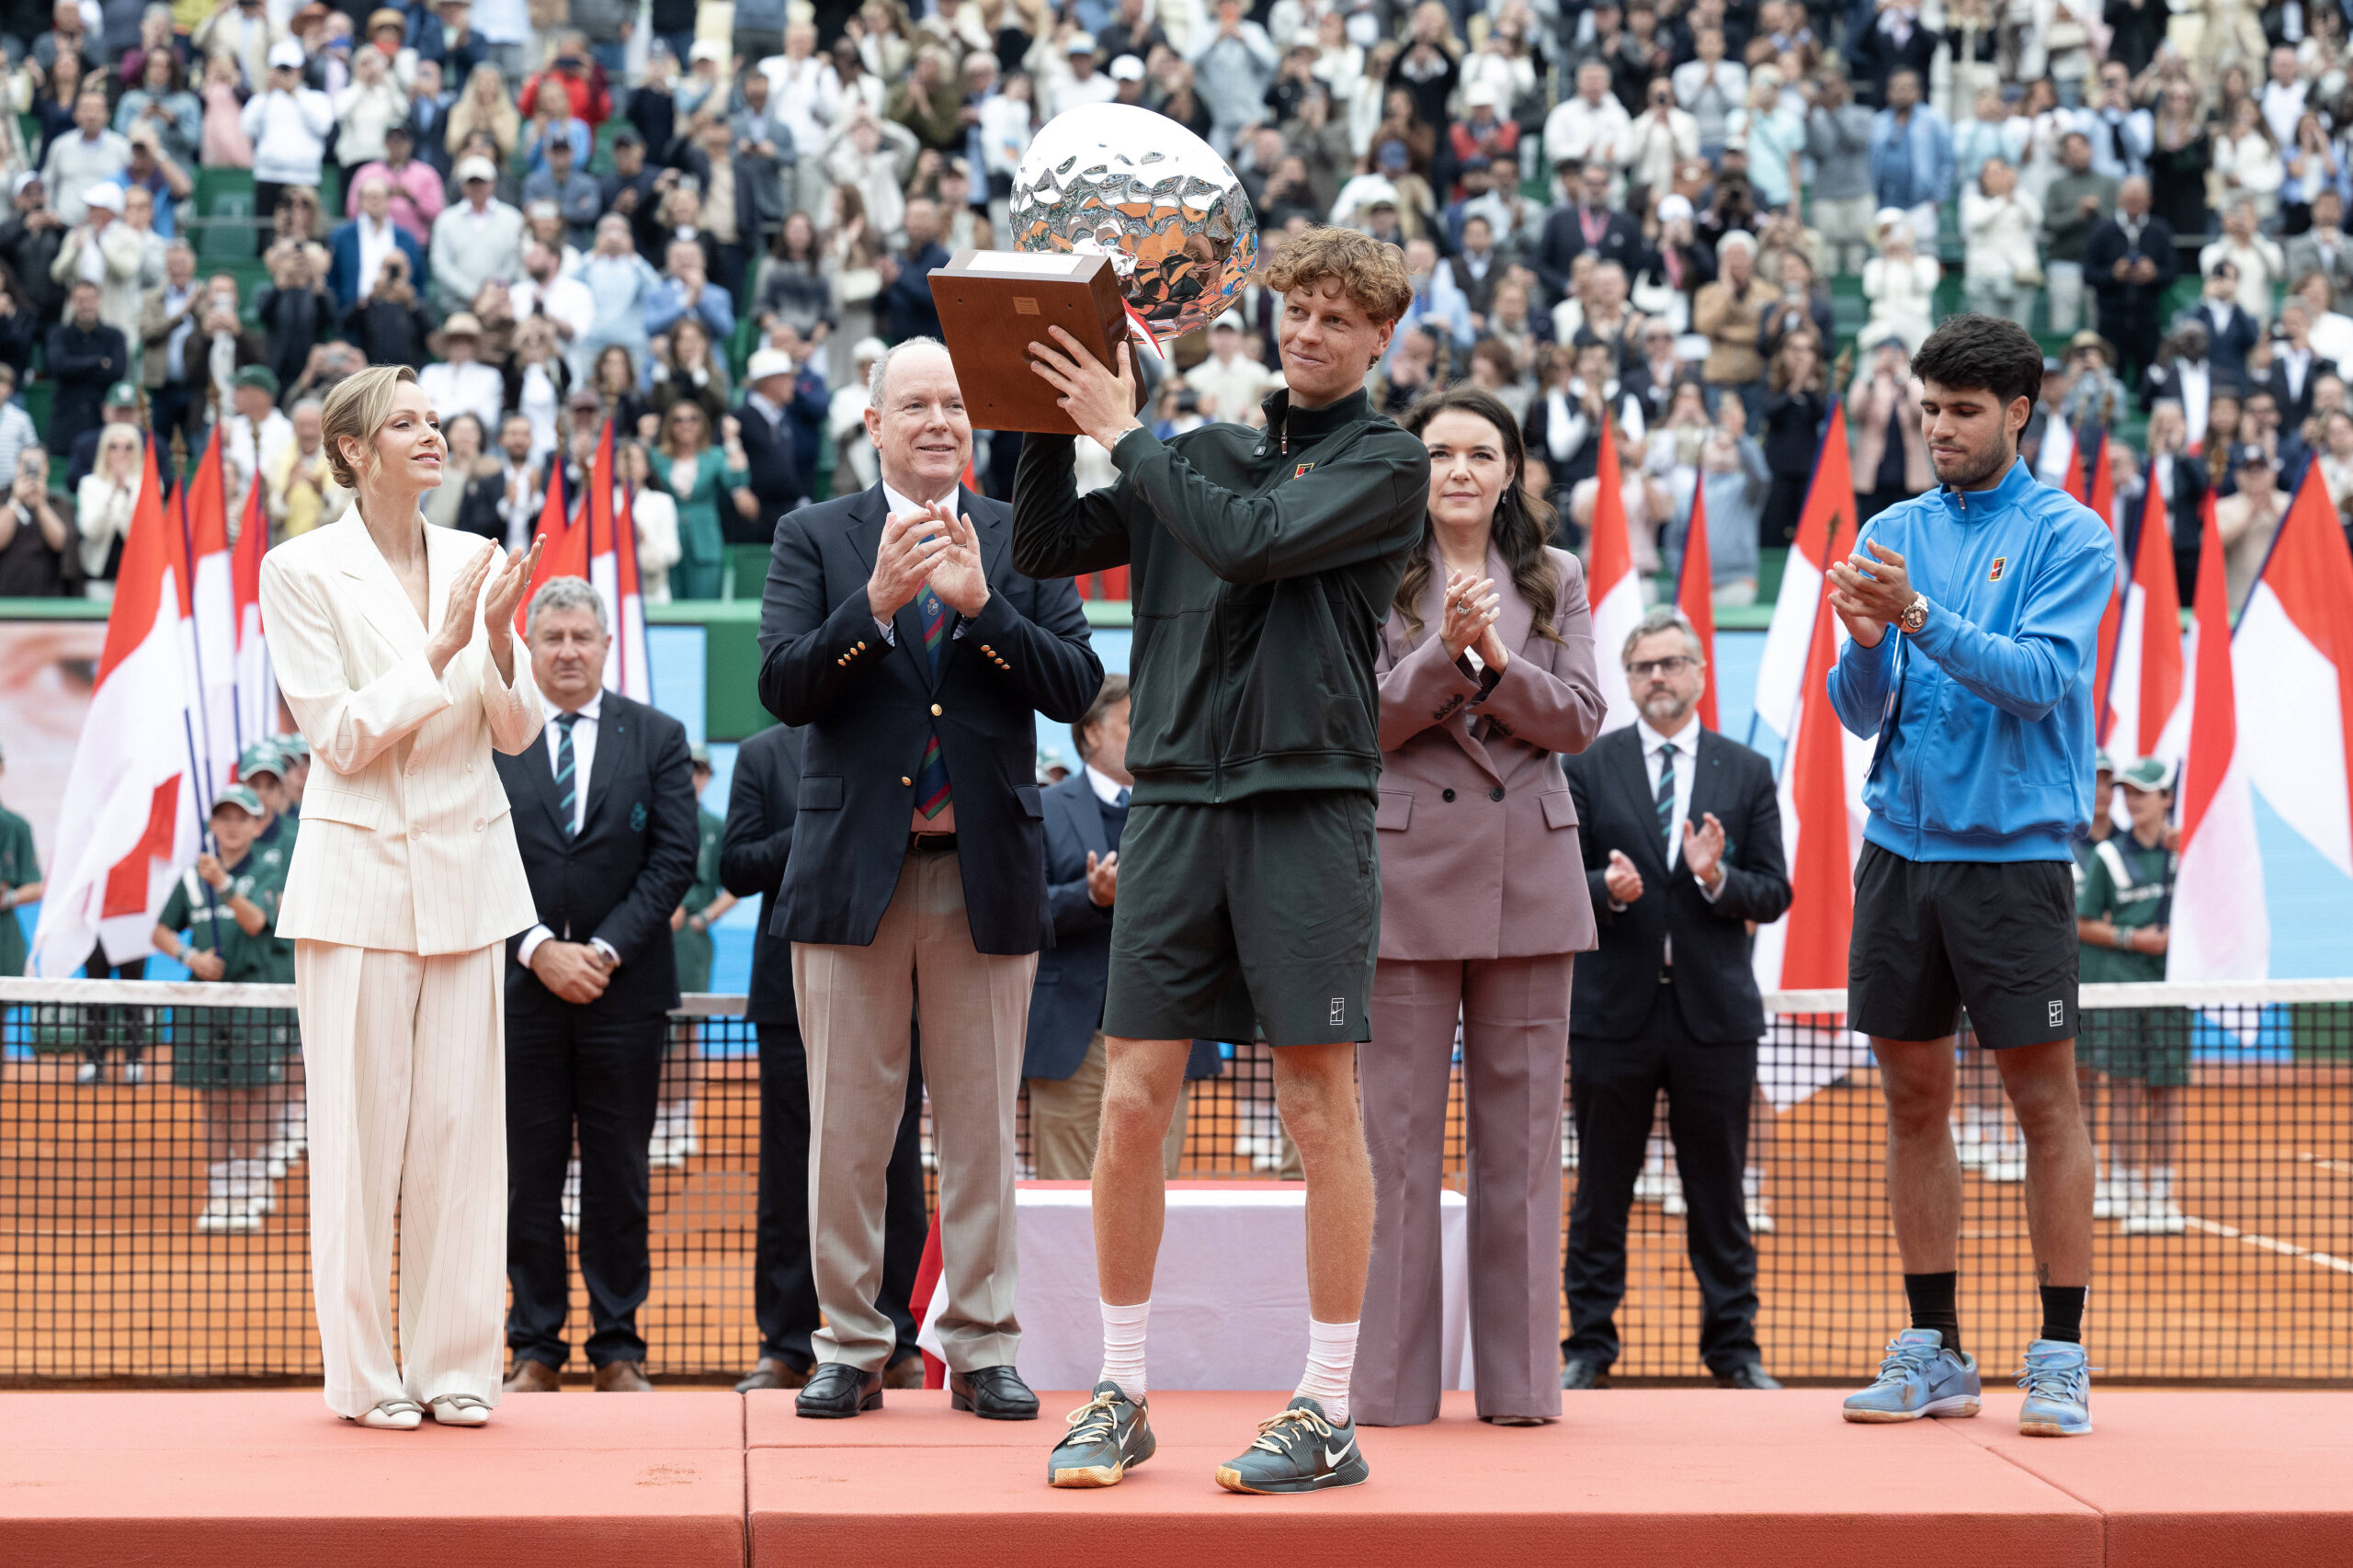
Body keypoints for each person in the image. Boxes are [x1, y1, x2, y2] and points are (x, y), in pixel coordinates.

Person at [1016, 225, 1427, 1493]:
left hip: (1308, 806)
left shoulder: (1388, 462)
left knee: (1317, 1105)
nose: (1308, 331)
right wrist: (1041, 409)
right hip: (1178, 803)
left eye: (1336, 318)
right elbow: (1039, 545)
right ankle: (1122, 1388)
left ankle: (1328, 1407)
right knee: (1133, 1093)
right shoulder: (1198, 452)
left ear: (1378, 339)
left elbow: (1249, 538)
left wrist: (1123, 428)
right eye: (1294, 310)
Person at [758, 327, 1098, 1421]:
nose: (941, 421)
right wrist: (874, 609)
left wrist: (980, 608)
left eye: (955, 403)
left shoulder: (1020, 533)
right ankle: (850, 1344)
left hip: (985, 874)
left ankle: (983, 1340)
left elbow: (1078, 683)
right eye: (916, 405)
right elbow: (782, 686)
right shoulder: (815, 535)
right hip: (852, 879)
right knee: (850, 1133)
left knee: (979, 1132)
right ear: (874, 424)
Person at [1825, 314, 2113, 1439]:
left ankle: (2058, 1352)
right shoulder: (1892, 526)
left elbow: (2039, 680)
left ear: (2017, 413)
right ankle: (1936, 1347)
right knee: (1911, 1099)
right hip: (1900, 851)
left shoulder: (2069, 535)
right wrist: (1862, 642)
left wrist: (1910, 614)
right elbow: (1861, 713)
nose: (1938, 429)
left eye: (1961, 411)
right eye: (1928, 409)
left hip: (2016, 862)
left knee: (2045, 1101)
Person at [255, 363, 544, 1430]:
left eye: (437, 419)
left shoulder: (477, 558)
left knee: (464, 1132)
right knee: (359, 1134)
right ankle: (366, 1379)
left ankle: (458, 1365)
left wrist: (501, 635)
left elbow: (511, 732)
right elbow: (336, 737)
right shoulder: (299, 569)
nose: (433, 434)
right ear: (352, 451)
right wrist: (439, 643)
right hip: (355, 883)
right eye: (407, 422)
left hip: (470, 876)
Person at [1350, 383, 1606, 1428]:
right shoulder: (1362, 572)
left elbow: (1582, 718)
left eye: (1480, 453)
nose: (1459, 469)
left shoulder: (1556, 578)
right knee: (1392, 1149)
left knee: (1524, 1149)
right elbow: (1353, 723)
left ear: (1510, 472)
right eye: (1440, 451)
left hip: (1530, 887)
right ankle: (1389, 1391)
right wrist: (1435, 656)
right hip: (1403, 884)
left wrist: (1495, 665)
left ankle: (1521, 1384)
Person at [1558, 606, 1790, 1391]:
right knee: (1599, 1194)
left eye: (1672, 662)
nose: (1658, 676)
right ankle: (1588, 1345)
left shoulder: (1748, 772)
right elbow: (1555, 879)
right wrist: (1605, 887)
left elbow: (1775, 891)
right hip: (1609, 1018)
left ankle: (1734, 1351)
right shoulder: (1587, 766)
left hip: (1713, 1023)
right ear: (1626, 681)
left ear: (1699, 673)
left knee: (1719, 1195)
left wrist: (1718, 878)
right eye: (1643, 665)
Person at [492, 576, 696, 1395]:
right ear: (529, 649)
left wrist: (603, 950)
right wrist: (537, 948)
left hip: (626, 996)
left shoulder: (658, 736)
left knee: (619, 1174)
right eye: (553, 639)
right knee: (527, 1177)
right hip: (521, 995)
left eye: (582, 637)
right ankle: (534, 1348)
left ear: (607, 646)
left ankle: (618, 1349)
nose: (569, 651)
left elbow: (675, 859)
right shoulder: (491, 739)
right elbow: (471, 856)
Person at [722, 720, 933, 1394]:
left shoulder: (895, 737)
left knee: (894, 1163)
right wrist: (824, 824)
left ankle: (896, 1336)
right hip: (789, 997)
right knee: (790, 1172)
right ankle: (784, 1346)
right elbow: (736, 865)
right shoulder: (759, 755)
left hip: (895, 981)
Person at [153, 786, 297, 1232]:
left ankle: (250, 1185)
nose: (231, 826)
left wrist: (225, 884)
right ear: (212, 825)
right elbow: (161, 931)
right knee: (213, 1098)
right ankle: (219, 1190)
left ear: (257, 826)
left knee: (250, 1095)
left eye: (241, 818)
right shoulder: (193, 878)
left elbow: (257, 921)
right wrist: (189, 958)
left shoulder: (272, 869)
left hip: (252, 997)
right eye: (223, 818)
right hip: (204, 1001)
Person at [2075, 756, 2184, 1238]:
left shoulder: (2187, 856)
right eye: (2129, 793)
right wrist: (2135, 940)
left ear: (2167, 799)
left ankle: (2159, 1192)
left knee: (2164, 1092)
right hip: (2118, 987)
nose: (2133, 801)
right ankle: (2119, 1181)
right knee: (2122, 1087)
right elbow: (2081, 922)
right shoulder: (2108, 857)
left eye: (2144, 792)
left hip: (2171, 992)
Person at [655, 744, 734, 1166]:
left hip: (691, 944)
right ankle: (655, 1122)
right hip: (650, 941)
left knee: (688, 1032)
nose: (692, 776)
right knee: (652, 1030)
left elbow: (735, 884)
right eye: (686, 768)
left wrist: (703, 917)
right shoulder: (654, 818)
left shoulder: (715, 826)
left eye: (700, 770)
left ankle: (682, 1122)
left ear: (707, 777)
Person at [2085, 179, 2177, 392]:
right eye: (2129, 198)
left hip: (2148, 321)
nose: (2134, 202)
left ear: (2149, 201)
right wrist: (2113, 274)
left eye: (2139, 198)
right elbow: (2089, 274)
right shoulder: (2103, 231)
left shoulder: (2159, 230)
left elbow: (2171, 274)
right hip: (2111, 321)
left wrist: (2154, 274)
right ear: (2119, 200)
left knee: (2148, 381)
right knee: (2108, 382)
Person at [44, 279, 129, 464]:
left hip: (101, 424)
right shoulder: (58, 334)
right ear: (72, 303)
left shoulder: (115, 336)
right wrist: (98, 362)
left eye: (90, 300)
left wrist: (74, 368)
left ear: (99, 301)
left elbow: (117, 371)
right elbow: (58, 366)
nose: (86, 306)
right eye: (80, 300)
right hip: (65, 424)